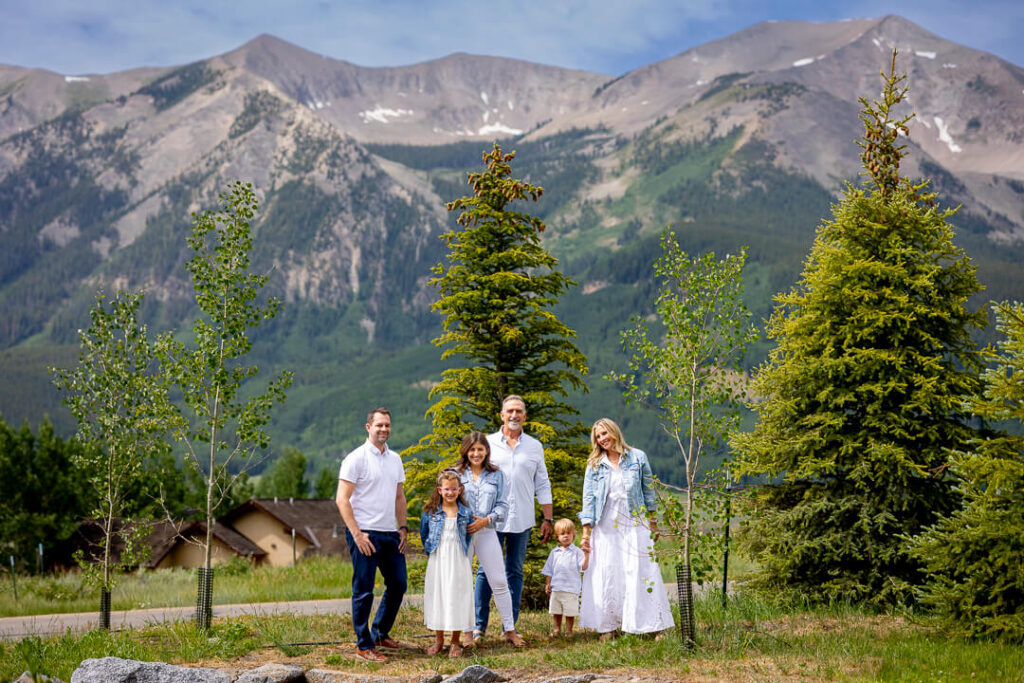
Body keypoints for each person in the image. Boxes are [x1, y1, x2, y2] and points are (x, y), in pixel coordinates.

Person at [579, 418, 674, 640]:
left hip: (634, 521)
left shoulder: (637, 457)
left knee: (642, 569)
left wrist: (653, 521)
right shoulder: (594, 464)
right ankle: (608, 626)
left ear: (614, 432)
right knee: (609, 571)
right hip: (605, 524)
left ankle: (653, 625)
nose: (602, 439)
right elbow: (588, 499)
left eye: (605, 434)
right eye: (598, 436)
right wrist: (586, 533)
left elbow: (648, 491)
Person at [336, 407, 412, 662]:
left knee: (399, 584)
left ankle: (380, 633)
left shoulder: (395, 459)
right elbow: (342, 499)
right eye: (379, 425)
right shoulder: (355, 459)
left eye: (387, 425)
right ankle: (363, 645)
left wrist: (402, 527)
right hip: (364, 534)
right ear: (368, 427)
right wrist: (356, 534)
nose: (384, 429)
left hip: (390, 533)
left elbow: (399, 497)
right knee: (364, 589)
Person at [477, 395, 554, 639]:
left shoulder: (534, 446)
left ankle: (509, 628)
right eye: (509, 411)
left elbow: (542, 483)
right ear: (501, 415)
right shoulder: (487, 443)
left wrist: (548, 519)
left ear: (525, 416)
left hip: (522, 518)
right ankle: (479, 626)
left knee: (514, 571)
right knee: (485, 571)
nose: (514, 415)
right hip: (490, 520)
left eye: (518, 411)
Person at [455, 432, 527, 648]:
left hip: (487, 532)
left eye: (480, 449)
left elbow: (503, 506)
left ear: (486, 451)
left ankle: (510, 630)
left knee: (499, 581)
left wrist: (486, 520)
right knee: (463, 584)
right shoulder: (455, 473)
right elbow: (446, 502)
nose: (476, 453)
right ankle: (467, 634)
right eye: (472, 449)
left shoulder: (497, 475)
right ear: (466, 451)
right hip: (462, 534)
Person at [419, 469, 475, 658]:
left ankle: (455, 642)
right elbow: (424, 534)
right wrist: (432, 551)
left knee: (456, 596)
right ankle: (439, 639)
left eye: (454, 489)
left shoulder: (465, 512)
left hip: (458, 558)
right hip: (439, 558)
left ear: (460, 490)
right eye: (446, 489)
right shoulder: (431, 512)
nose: (450, 492)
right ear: (439, 490)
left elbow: (468, 534)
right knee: (439, 596)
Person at [542, 518, 589, 638]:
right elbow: (549, 570)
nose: (566, 536)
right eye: (562, 534)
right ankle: (556, 628)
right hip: (557, 588)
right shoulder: (554, 552)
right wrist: (548, 583)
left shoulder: (577, 552)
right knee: (556, 611)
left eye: (569, 533)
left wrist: (587, 555)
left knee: (569, 611)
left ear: (573, 535)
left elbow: (583, 567)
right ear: (557, 536)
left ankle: (568, 630)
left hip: (571, 588)